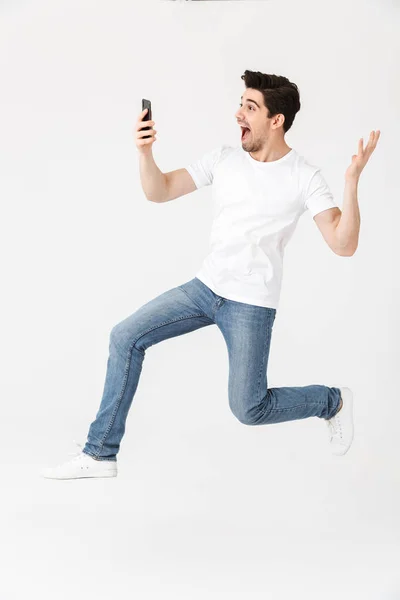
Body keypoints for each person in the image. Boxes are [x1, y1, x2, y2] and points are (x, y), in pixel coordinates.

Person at [42, 70, 380, 479]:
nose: (239, 113)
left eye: (250, 107)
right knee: (125, 336)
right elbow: (160, 190)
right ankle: (100, 453)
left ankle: (331, 401)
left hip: (251, 305)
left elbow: (343, 244)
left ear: (276, 120)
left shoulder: (304, 176)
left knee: (249, 409)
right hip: (205, 289)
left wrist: (351, 183)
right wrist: (145, 153)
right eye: (241, 103)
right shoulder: (224, 159)